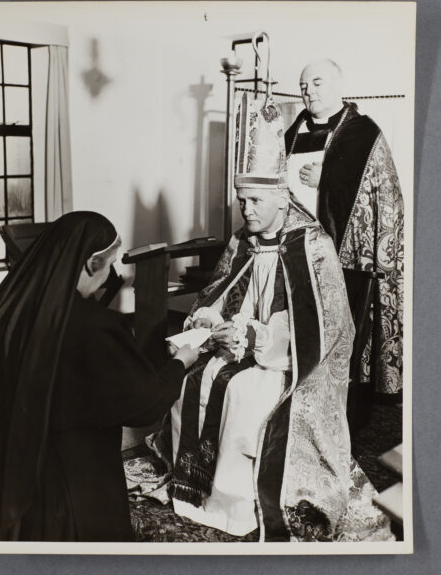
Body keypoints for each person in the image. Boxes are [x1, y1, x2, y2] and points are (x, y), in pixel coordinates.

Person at [149, 93, 393, 541]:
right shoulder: (245, 238)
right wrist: (209, 321)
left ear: (282, 200)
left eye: (256, 202)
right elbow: (223, 288)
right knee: (192, 380)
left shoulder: (313, 246)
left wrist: (260, 338)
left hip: (292, 363)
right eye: (243, 202)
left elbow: (326, 323)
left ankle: (239, 504)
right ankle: (195, 492)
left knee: (245, 393)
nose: (247, 212)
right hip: (240, 345)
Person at [0, 211, 199, 542]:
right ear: (91, 264)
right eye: (110, 264)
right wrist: (180, 363)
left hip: (16, 473)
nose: (111, 275)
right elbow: (145, 405)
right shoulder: (96, 327)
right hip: (75, 484)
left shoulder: (9, 306)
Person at [285, 58, 404, 398]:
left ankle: (350, 391)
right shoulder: (295, 131)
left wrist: (328, 179)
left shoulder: (364, 132)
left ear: (339, 86)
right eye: (304, 85)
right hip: (297, 242)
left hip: (345, 250)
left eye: (317, 82)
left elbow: (382, 193)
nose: (309, 91)